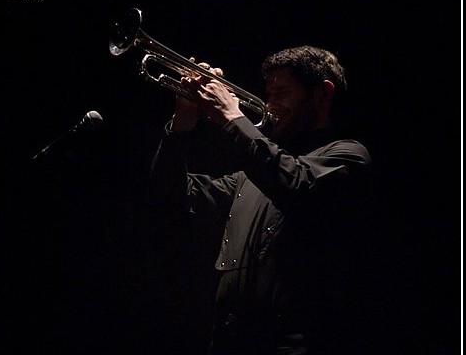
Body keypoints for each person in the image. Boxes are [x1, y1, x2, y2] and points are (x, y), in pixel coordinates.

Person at [149, 45, 373, 354]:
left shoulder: (347, 156)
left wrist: (231, 115)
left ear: (323, 94)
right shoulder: (250, 177)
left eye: (281, 92)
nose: (269, 105)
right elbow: (169, 199)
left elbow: (297, 185)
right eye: (268, 94)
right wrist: (182, 123)